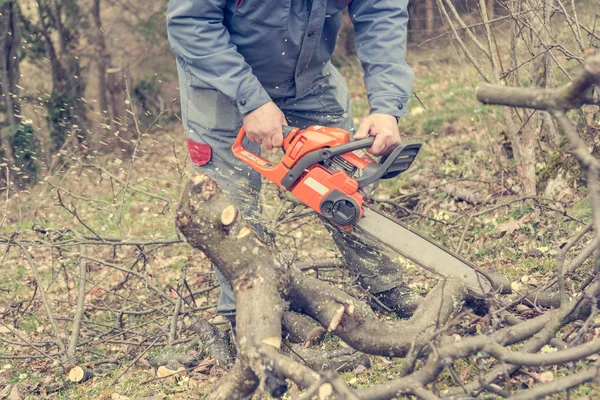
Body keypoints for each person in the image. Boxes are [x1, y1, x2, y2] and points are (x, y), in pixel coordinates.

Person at [166, 0, 418, 326]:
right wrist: (250, 98)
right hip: (221, 83)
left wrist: (387, 105)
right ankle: (246, 315)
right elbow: (190, 22)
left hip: (308, 74)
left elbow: (381, 10)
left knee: (348, 178)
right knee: (233, 207)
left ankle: (383, 284)